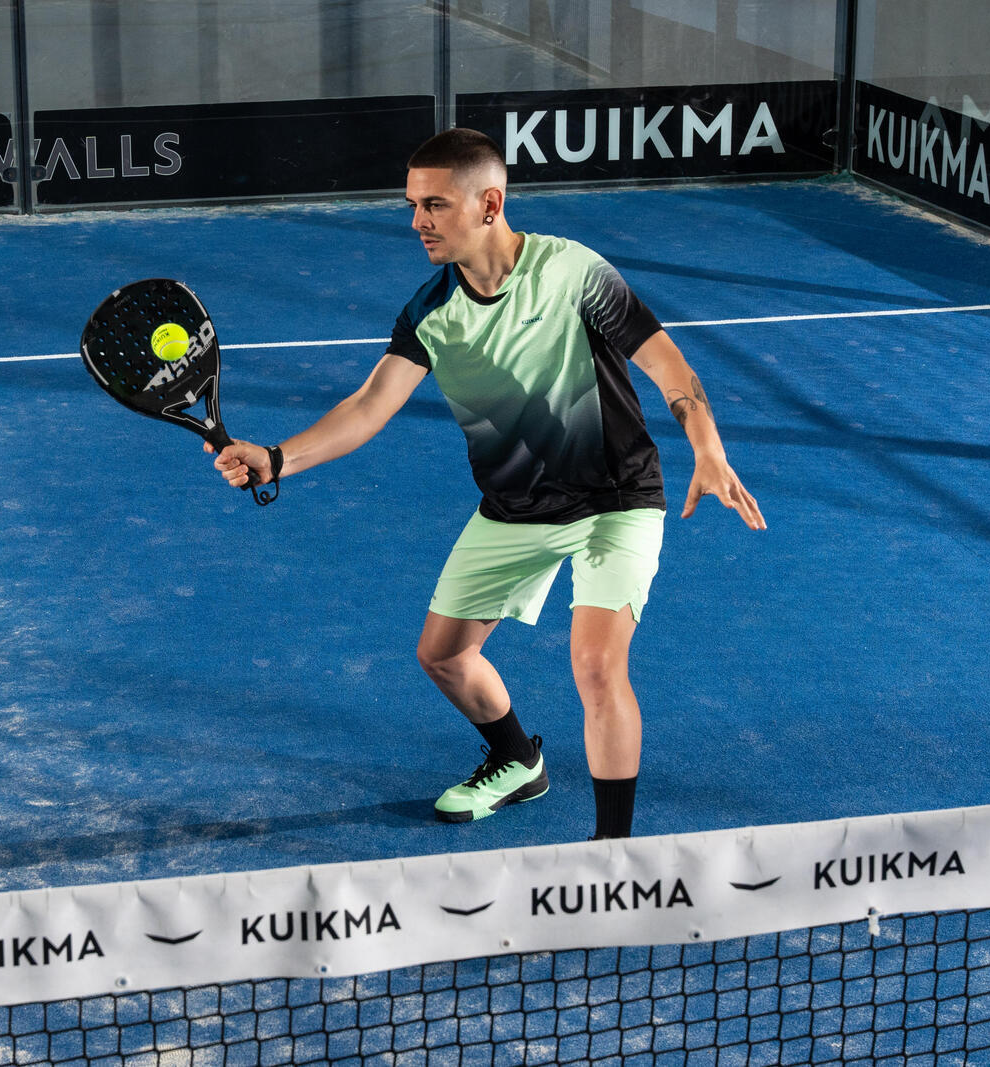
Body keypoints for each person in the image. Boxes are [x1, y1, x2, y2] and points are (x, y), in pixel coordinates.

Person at [208, 128, 764, 840]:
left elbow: (668, 366)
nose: (417, 222)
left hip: (613, 499)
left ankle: (613, 856)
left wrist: (707, 447)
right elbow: (371, 404)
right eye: (412, 205)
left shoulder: (573, 272)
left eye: (435, 205)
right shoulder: (431, 309)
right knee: (442, 655)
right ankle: (517, 759)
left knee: (596, 665)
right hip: (515, 507)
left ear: (490, 203)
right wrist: (277, 458)